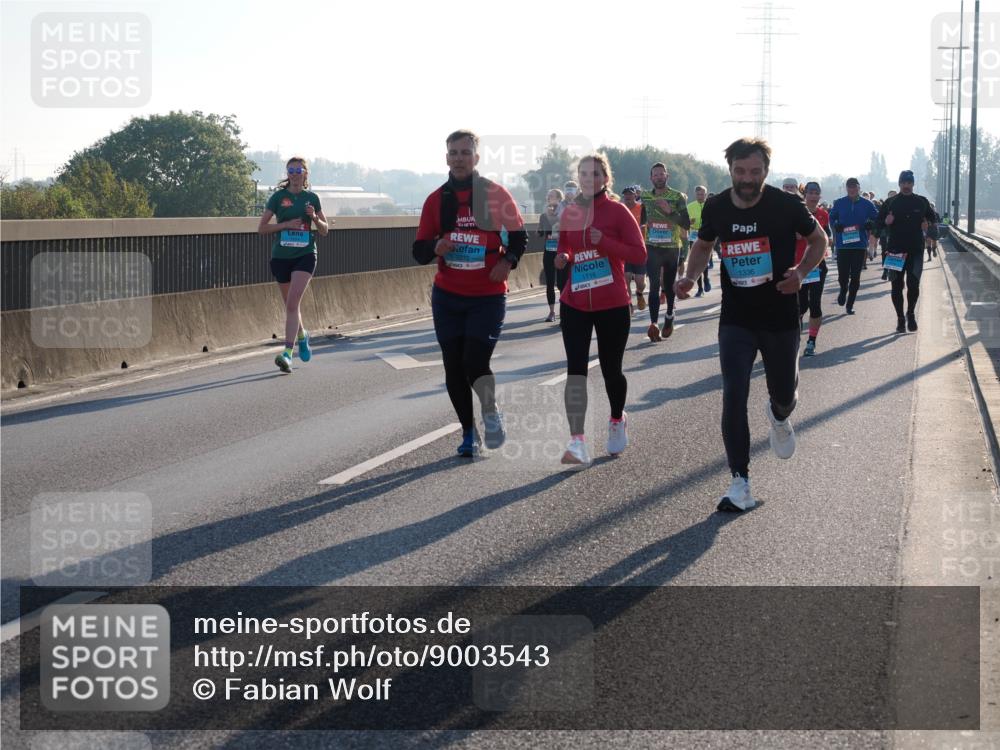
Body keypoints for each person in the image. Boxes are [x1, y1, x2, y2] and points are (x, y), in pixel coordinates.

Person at [675, 137, 827, 512]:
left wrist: (802, 271)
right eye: (740, 171)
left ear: (766, 171)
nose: (747, 178)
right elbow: (703, 245)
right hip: (737, 319)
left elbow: (818, 240)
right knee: (733, 393)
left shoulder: (786, 204)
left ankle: (778, 415)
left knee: (784, 394)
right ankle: (739, 481)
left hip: (779, 316)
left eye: (755, 171)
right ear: (730, 170)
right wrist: (691, 277)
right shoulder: (716, 206)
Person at [412, 130, 527, 456]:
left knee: (475, 363)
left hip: (487, 296)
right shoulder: (437, 200)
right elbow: (419, 250)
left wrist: (508, 261)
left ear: (476, 158)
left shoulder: (495, 194)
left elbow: (519, 239)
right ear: (446, 158)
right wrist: (437, 246)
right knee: (453, 367)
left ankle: (490, 412)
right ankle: (468, 433)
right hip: (448, 296)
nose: (459, 158)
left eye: (465, 152)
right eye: (453, 153)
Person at [553, 154, 646, 466]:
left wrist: (604, 242)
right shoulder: (571, 212)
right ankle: (577, 440)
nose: (588, 179)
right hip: (575, 301)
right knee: (575, 371)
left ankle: (617, 418)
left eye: (594, 174)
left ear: (605, 179)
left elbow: (639, 253)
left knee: (611, 371)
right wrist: (564, 257)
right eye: (583, 174)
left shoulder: (618, 212)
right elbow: (566, 243)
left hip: (612, 303)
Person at [258, 156, 330, 373]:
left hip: (305, 255)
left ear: (305, 173)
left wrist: (315, 220)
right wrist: (286, 224)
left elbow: (325, 230)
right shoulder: (278, 198)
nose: (295, 173)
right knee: (291, 306)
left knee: (292, 303)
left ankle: (288, 354)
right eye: (291, 170)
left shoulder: (312, 199)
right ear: (287, 173)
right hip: (281, 257)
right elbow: (261, 228)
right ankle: (302, 335)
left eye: (299, 170)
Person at [875, 170, 937, 334]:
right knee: (896, 286)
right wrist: (886, 222)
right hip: (895, 251)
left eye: (909, 182)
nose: (906, 185)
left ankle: (910, 313)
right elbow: (878, 223)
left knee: (913, 285)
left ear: (913, 184)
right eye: (903, 182)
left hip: (916, 250)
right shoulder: (890, 202)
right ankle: (900, 318)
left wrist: (927, 223)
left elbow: (933, 218)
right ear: (899, 184)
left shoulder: (921, 202)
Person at [641, 163, 691, 341]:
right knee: (654, 285)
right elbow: (642, 219)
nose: (659, 177)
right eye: (655, 175)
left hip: (671, 248)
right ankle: (653, 323)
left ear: (667, 177)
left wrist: (669, 211)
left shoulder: (677, 196)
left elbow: (686, 224)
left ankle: (669, 315)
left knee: (669, 286)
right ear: (651, 178)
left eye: (662, 174)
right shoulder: (645, 196)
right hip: (652, 246)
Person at [829, 177, 878, 315]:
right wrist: (835, 225)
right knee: (842, 277)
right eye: (849, 187)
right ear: (846, 188)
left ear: (858, 188)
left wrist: (871, 224)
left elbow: (876, 217)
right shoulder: (839, 203)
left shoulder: (867, 204)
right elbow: (832, 218)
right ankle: (843, 289)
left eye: (854, 187)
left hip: (859, 245)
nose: (852, 190)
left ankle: (849, 305)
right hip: (843, 245)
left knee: (856, 277)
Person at [797, 182, 832, 356]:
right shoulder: (794, 214)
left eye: (816, 193)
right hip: (798, 265)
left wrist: (827, 239)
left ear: (820, 196)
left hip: (818, 265)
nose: (813, 196)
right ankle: (794, 337)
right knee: (800, 306)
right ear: (804, 195)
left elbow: (828, 234)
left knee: (815, 304)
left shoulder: (823, 214)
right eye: (810, 192)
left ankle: (811, 341)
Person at [539, 188, 566, 322]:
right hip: (549, 251)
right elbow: (540, 232)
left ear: (559, 199)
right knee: (549, 282)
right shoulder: (544, 215)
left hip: (561, 251)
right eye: (548, 196)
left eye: (552, 196)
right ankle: (551, 312)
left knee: (561, 283)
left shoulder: (565, 213)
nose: (549, 198)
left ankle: (563, 312)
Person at [621, 186, 647, 313]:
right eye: (625, 194)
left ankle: (639, 293)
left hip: (639, 248)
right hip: (625, 248)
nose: (628, 197)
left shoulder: (641, 208)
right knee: (625, 278)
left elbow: (646, 224)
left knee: (640, 281)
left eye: (630, 194)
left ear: (635, 195)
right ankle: (629, 304)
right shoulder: (620, 209)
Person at [688, 185, 713, 297]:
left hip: (707, 235)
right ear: (695, 194)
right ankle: (700, 289)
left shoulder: (710, 205)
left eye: (702, 194)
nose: (700, 196)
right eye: (698, 194)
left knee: (704, 260)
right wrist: (689, 222)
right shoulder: (690, 206)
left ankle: (706, 278)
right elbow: (685, 222)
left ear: (706, 195)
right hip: (693, 235)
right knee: (696, 262)